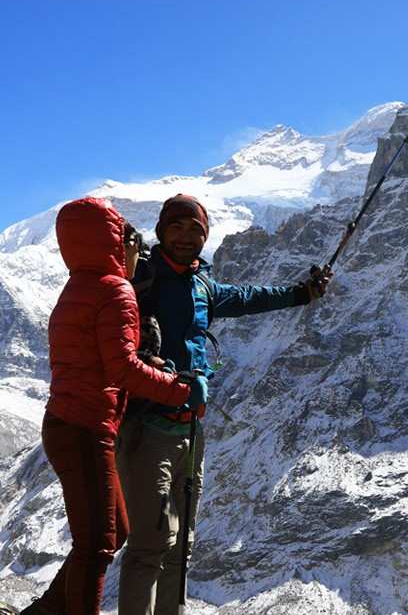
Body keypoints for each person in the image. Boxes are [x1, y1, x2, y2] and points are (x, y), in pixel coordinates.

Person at [116, 194, 331, 615]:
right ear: (160, 232)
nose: (185, 237)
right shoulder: (140, 278)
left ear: (205, 237)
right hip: (147, 427)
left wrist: (302, 294)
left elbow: (250, 297)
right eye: (176, 227)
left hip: (190, 429)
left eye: (195, 230)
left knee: (181, 544)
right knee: (150, 545)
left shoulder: (203, 285)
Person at [23, 197, 200, 615]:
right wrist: (175, 389)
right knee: (99, 545)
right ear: (117, 243)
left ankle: (47, 610)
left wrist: (145, 365)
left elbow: (100, 357)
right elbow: (122, 369)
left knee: (115, 530)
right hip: (87, 427)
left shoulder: (77, 286)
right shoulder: (115, 289)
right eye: (132, 242)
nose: (138, 252)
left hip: (66, 422)